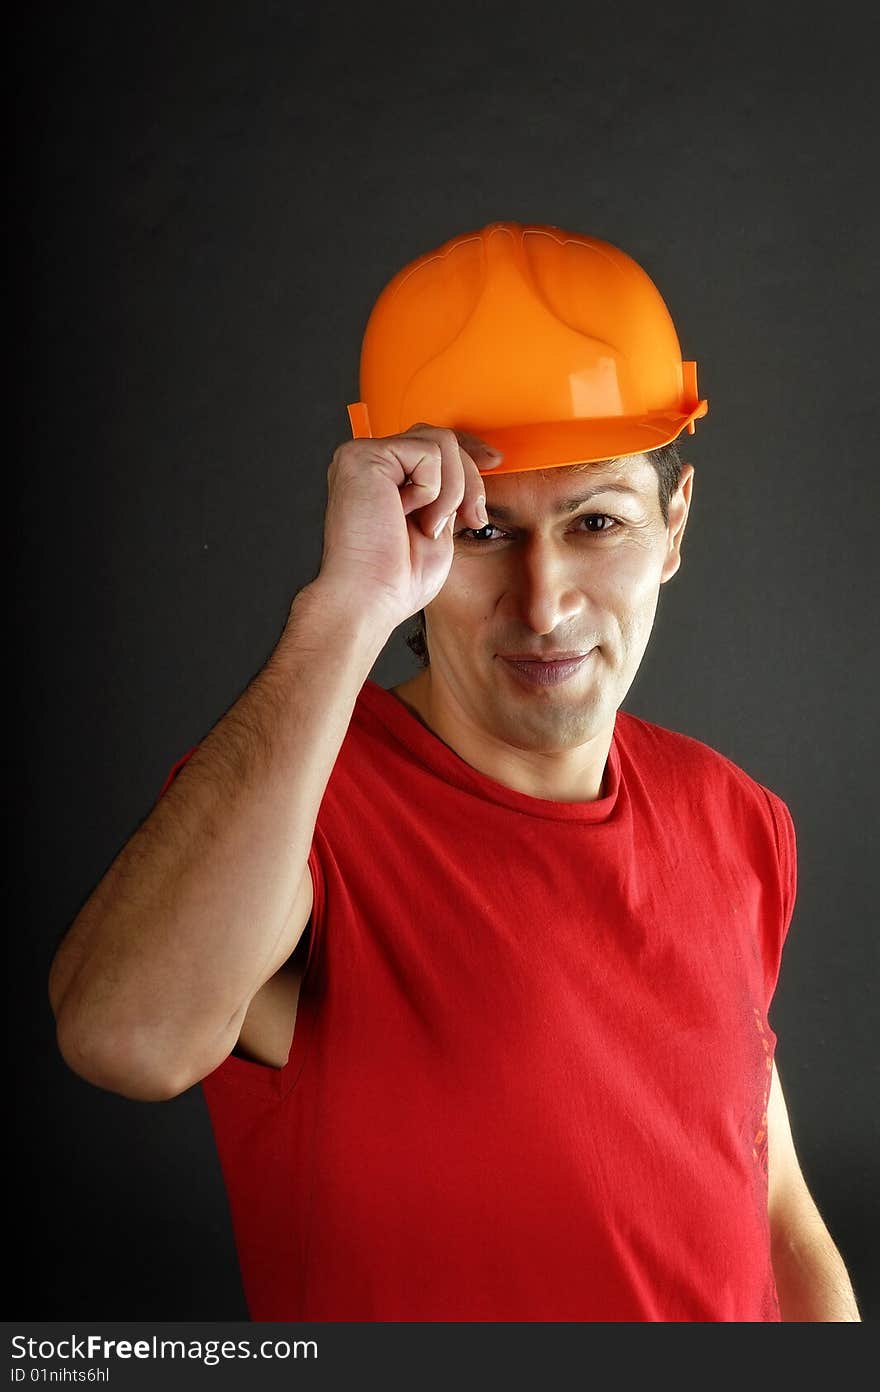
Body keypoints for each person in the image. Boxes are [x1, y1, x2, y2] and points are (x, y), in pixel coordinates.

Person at [48, 221, 861, 1322]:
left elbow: (773, 1211)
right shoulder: (300, 811)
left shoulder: (737, 818)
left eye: (597, 522)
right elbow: (123, 1039)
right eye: (482, 535)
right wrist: (345, 608)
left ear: (673, 528)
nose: (546, 602)